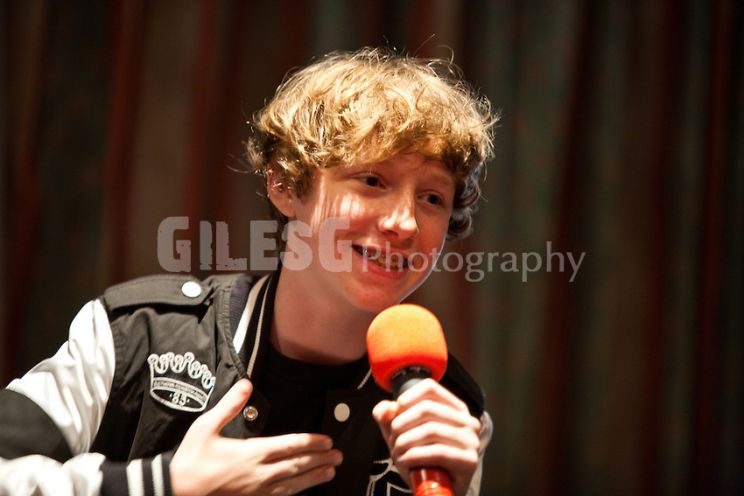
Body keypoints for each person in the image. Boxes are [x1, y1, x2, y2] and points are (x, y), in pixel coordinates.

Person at [0, 47, 496, 496]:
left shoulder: (450, 410)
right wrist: (163, 485)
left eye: (432, 198)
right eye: (371, 180)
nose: (404, 223)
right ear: (285, 186)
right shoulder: (136, 335)